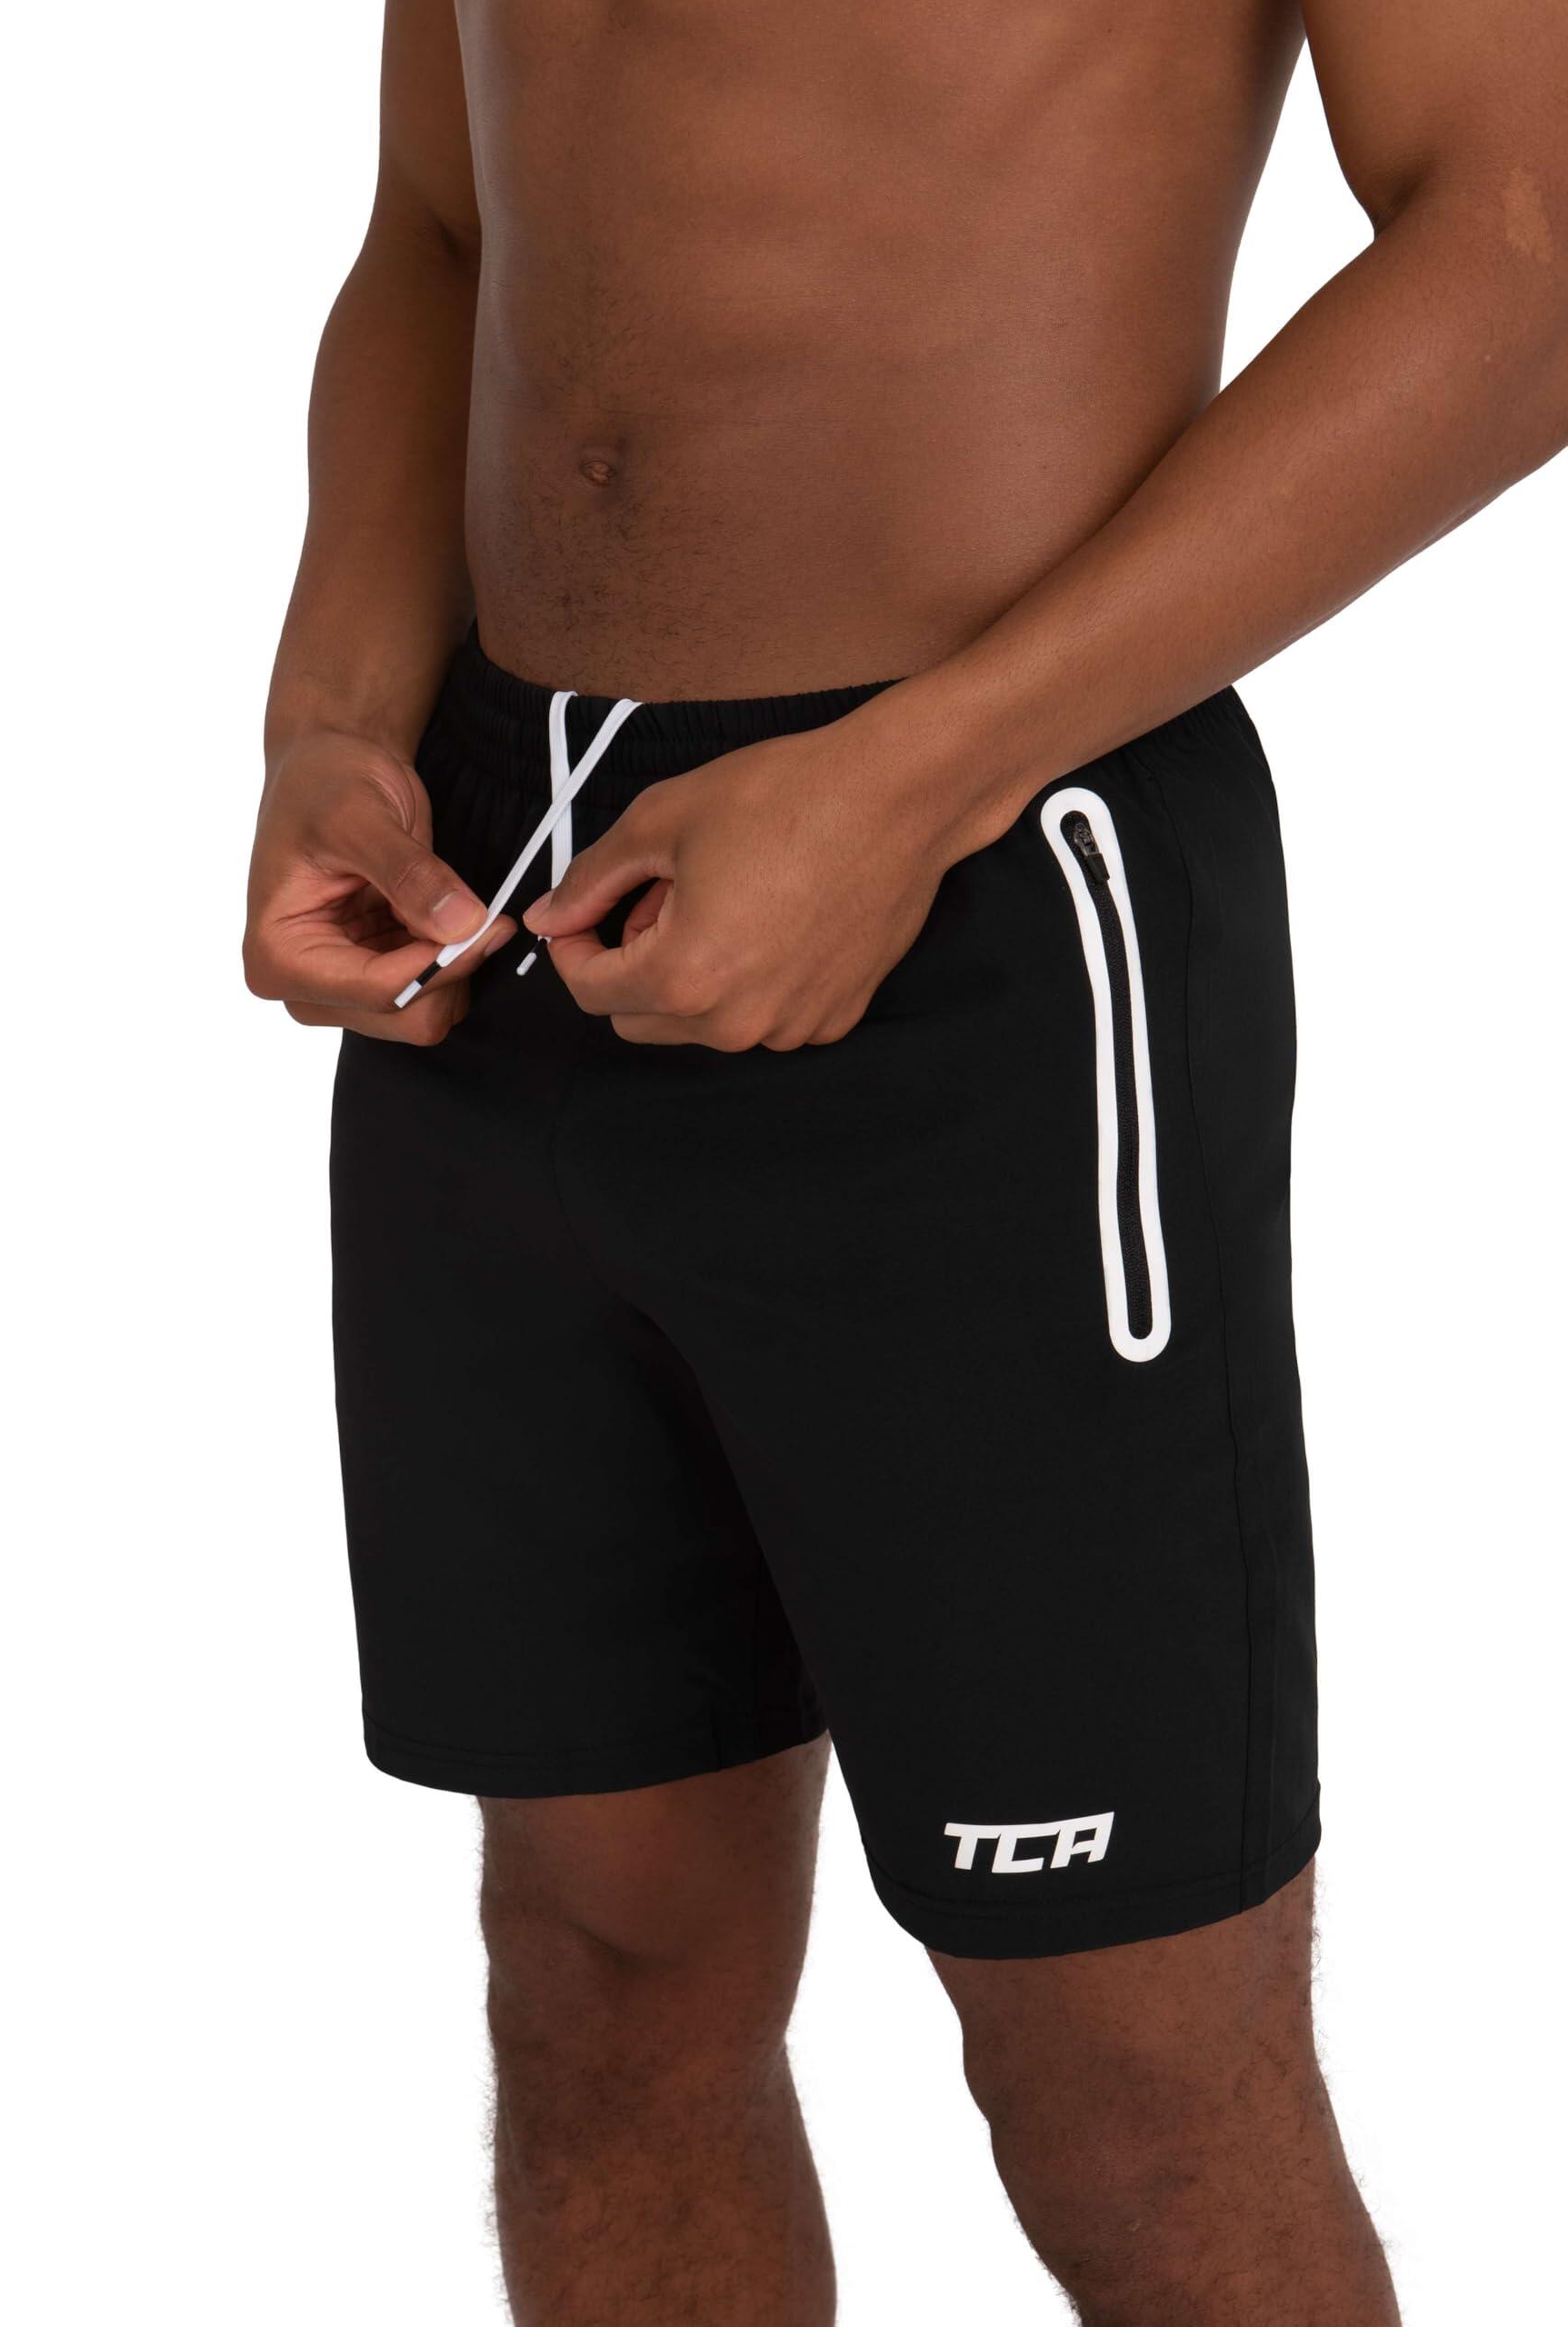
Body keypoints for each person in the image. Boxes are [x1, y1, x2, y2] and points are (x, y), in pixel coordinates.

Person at [244, 1, 1566, 2315]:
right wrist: (331, 716)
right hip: (497, 883)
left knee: (1127, 2083)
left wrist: (914, 778)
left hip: (989, 876)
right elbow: (439, 223)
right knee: (602, 1980)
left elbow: (1528, 236)